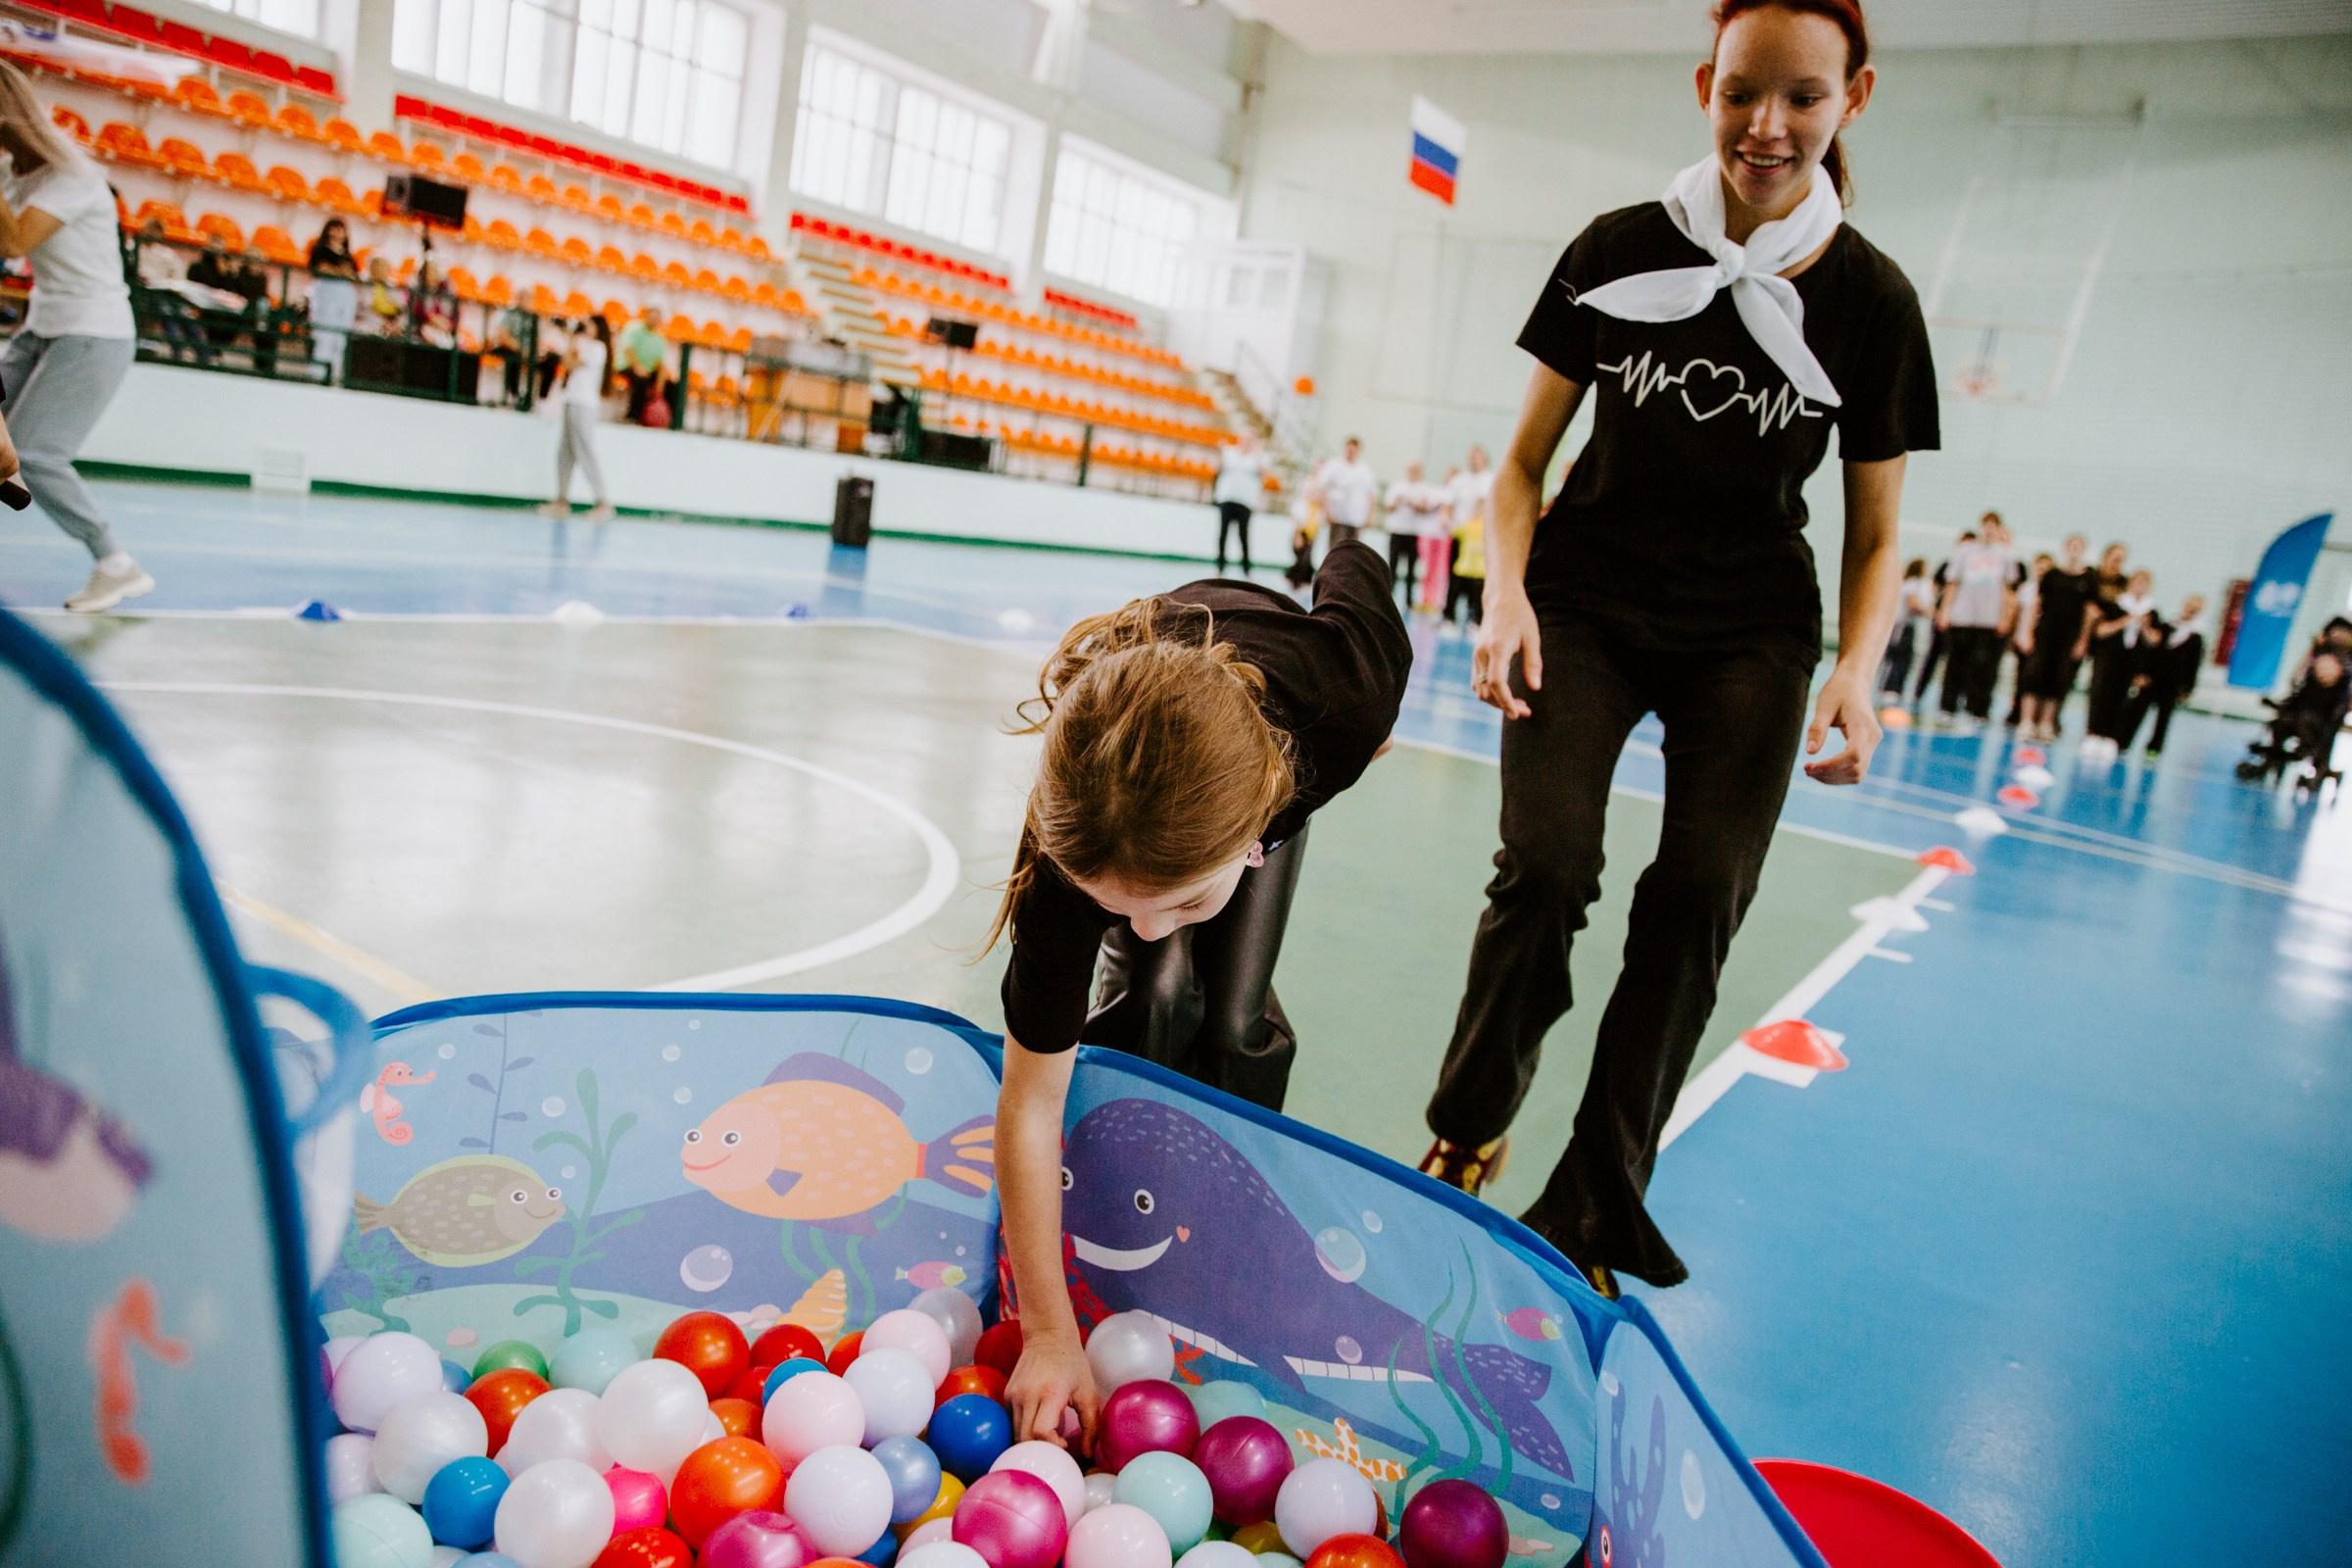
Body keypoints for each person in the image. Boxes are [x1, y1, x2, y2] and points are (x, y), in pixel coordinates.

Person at [1413, 0, 1936, 1299]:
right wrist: (1507, 595)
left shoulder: (1872, 302)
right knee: (1546, 867)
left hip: (1751, 631)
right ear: (1707, 84)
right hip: (1585, 602)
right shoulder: (1617, 249)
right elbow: (1521, 466)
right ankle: (1470, 1122)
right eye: (1743, 91)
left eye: (1803, 98)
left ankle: (1597, 1199)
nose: (1768, 125)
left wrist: (1857, 671)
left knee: (1700, 895)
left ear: (1854, 99)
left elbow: (1878, 535)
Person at [991, 541, 1411, 1446]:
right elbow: (1029, 1100)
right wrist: (1049, 1332)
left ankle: (1224, 1235)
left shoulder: (1346, 697)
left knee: (1230, 1021)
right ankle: (1118, 1196)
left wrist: (1368, 737)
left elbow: (1355, 560)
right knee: (1152, 991)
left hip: (1273, 753)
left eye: (1178, 903)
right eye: (1119, 908)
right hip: (1143, 775)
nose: (1148, 927)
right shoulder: (1068, 856)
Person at [0, 62, 150, 612]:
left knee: (35, 454)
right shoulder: (15, 172)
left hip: (94, 332)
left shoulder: (74, 176)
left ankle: (116, 563)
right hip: (44, 324)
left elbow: (14, 242)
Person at [1933, 512, 2013, 729]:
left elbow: (2007, 589)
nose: (1989, 530)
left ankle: (1977, 709)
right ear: (1981, 526)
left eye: (1994, 526)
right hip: (1962, 617)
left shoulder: (2005, 555)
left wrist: (2005, 617)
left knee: (1982, 666)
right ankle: (1948, 706)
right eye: (1986, 525)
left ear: (1998, 529)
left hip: (1988, 620)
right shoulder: (1965, 551)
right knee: (1955, 663)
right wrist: (1945, 612)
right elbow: (1952, 583)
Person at [2017, 532, 2096, 742]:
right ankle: (2027, 722)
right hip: (2045, 634)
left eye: (2079, 547)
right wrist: (2027, 632)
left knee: (2058, 681)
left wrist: (2083, 640)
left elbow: (2089, 612)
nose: (2074, 551)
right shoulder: (2052, 575)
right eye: (2072, 546)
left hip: (2068, 638)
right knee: (2034, 676)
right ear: (2065, 548)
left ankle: (2046, 723)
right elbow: (2036, 604)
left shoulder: (2088, 579)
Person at [542, 317, 615, 521]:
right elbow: (566, 362)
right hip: (572, 400)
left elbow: (570, 363)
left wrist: (571, 340)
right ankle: (562, 499)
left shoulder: (597, 348)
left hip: (584, 404)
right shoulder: (584, 346)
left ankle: (603, 502)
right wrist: (571, 340)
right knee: (565, 451)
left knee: (585, 450)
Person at [2082, 568, 2158, 760]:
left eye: (2144, 583)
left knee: (2123, 697)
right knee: (2100, 694)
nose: (2140, 586)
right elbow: (2100, 631)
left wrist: (2144, 625)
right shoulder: (2115, 605)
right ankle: (2093, 734)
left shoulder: (2151, 612)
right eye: (2137, 582)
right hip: (2109, 657)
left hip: (2132, 661)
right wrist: (2126, 620)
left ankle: (2111, 738)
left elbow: (2155, 640)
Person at [2120, 593, 2205, 758]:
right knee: (2136, 710)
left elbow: (2194, 665)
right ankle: (2123, 742)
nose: (2191, 610)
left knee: (2164, 717)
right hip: (2151, 678)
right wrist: (2141, 673)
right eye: (2190, 606)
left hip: (2173, 683)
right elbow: (2149, 652)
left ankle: (2154, 747)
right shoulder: (2165, 626)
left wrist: (2188, 688)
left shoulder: (2196, 637)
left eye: (2196, 608)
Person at [1908, 526, 1971, 705]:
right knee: (1933, 655)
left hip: (1960, 622)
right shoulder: (1947, 565)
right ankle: (1918, 692)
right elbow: (1934, 587)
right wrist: (1937, 610)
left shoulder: (1971, 570)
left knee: (1955, 661)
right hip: (1941, 617)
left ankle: (1950, 699)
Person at [1383, 460, 1447, 607]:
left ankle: (1409, 600)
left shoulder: (1424, 488)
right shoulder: (1397, 486)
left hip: (1413, 533)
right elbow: (1387, 507)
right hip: (1397, 531)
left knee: (1412, 568)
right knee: (1392, 565)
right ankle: (1388, 596)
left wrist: (1410, 503)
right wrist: (1398, 501)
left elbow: (1425, 508)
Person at [1441, 447, 1495, 614]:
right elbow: (1447, 504)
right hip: (1460, 534)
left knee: (1479, 578)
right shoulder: (1459, 480)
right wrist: (1445, 519)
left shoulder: (1491, 479)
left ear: (1485, 459)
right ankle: (1449, 615)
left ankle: (1476, 616)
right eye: (1471, 457)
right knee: (1455, 575)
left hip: (1481, 537)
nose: (1473, 460)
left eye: (1477, 457)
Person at [307, 217, 358, 382]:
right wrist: (340, 272)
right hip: (326, 293)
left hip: (345, 296)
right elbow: (322, 269)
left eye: (341, 229)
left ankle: (334, 374)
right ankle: (317, 374)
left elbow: (352, 274)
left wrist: (340, 272)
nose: (338, 233)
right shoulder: (320, 249)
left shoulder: (347, 255)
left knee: (340, 338)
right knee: (324, 335)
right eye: (335, 228)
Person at [2002, 551, 2049, 728]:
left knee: (2036, 680)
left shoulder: (2051, 590)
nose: (2042, 571)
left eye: (2046, 568)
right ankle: (2015, 712)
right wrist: (2013, 637)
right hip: (2022, 639)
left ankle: (2035, 716)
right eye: (2039, 568)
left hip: (2042, 642)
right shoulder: (2026, 589)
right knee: (2020, 678)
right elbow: (2016, 614)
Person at [1308, 437, 1377, 552]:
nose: (1351, 452)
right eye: (1349, 449)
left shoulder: (1365, 470)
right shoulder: (1334, 465)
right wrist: (1326, 511)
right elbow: (1322, 488)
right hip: (1337, 517)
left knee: (1353, 551)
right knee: (1336, 549)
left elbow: (1371, 495)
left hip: (1356, 519)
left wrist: (1370, 516)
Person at [1878, 557, 1932, 699]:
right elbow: (1913, 605)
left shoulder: (1916, 584)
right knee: (1897, 655)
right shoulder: (1912, 583)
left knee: (1905, 657)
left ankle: (1896, 688)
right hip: (1901, 626)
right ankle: (1888, 688)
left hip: (1907, 626)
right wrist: (1930, 612)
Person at [1212, 436, 1264, 574]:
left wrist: (1258, 455)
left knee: (1243, 536)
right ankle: (1220, 567)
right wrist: (1220, 452)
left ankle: (1246, 569)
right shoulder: (1229, 454)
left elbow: (1262, 474)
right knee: (1223, 534)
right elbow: (1218, 469)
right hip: (1228, 499)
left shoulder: (1256, 457)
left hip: (1245, 502)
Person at [617, 306, 669, 423]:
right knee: (640, 380)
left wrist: (660, 385)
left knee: (671, 386)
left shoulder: (659, 339)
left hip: (647, 370)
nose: (655, 321)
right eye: (653, 318)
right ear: (646, 317)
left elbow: (660, 363)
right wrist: (637, 367)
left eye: (657, 319)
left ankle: (663, 419)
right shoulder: (633, 329)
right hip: (627, 366)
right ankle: (632, 417)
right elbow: (628, 350)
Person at [1445, 491, 1487, 628]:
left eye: (1482, 508)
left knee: (1478, 600)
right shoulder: (1467, 525)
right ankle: (1449, 619)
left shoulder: (1488, 528)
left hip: (1479, 571)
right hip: (1463, 568)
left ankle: (1476, 622)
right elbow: (1451, 531)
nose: (1478, 511)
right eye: (1477, 508)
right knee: (1454, 594)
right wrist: (1446, 515)